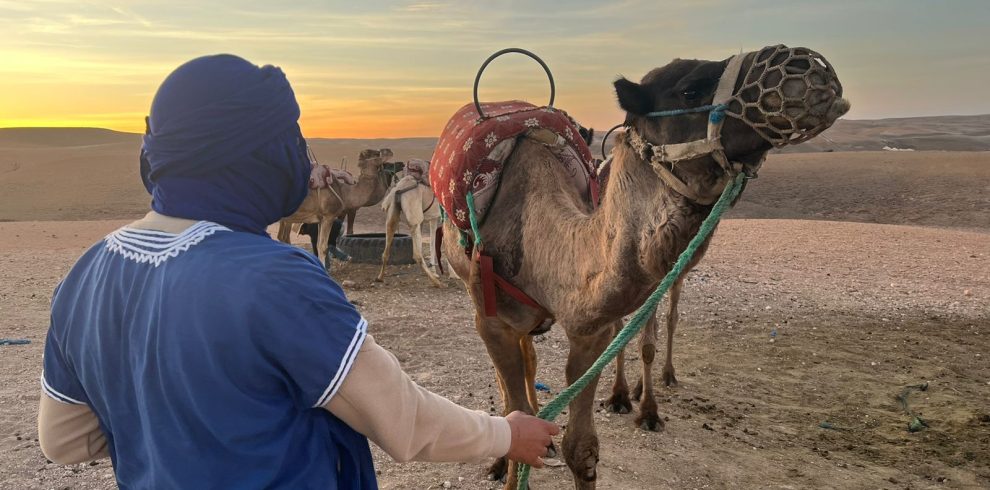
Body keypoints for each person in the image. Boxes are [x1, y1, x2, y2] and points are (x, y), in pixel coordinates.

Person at [37, 54, 558, 489]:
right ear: (254, 155)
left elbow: (62, 440)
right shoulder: (274, 279)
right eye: (289, 139)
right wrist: (506, 434)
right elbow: (404, 421)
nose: (301, 158)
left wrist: (174, 430)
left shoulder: (87, 273)